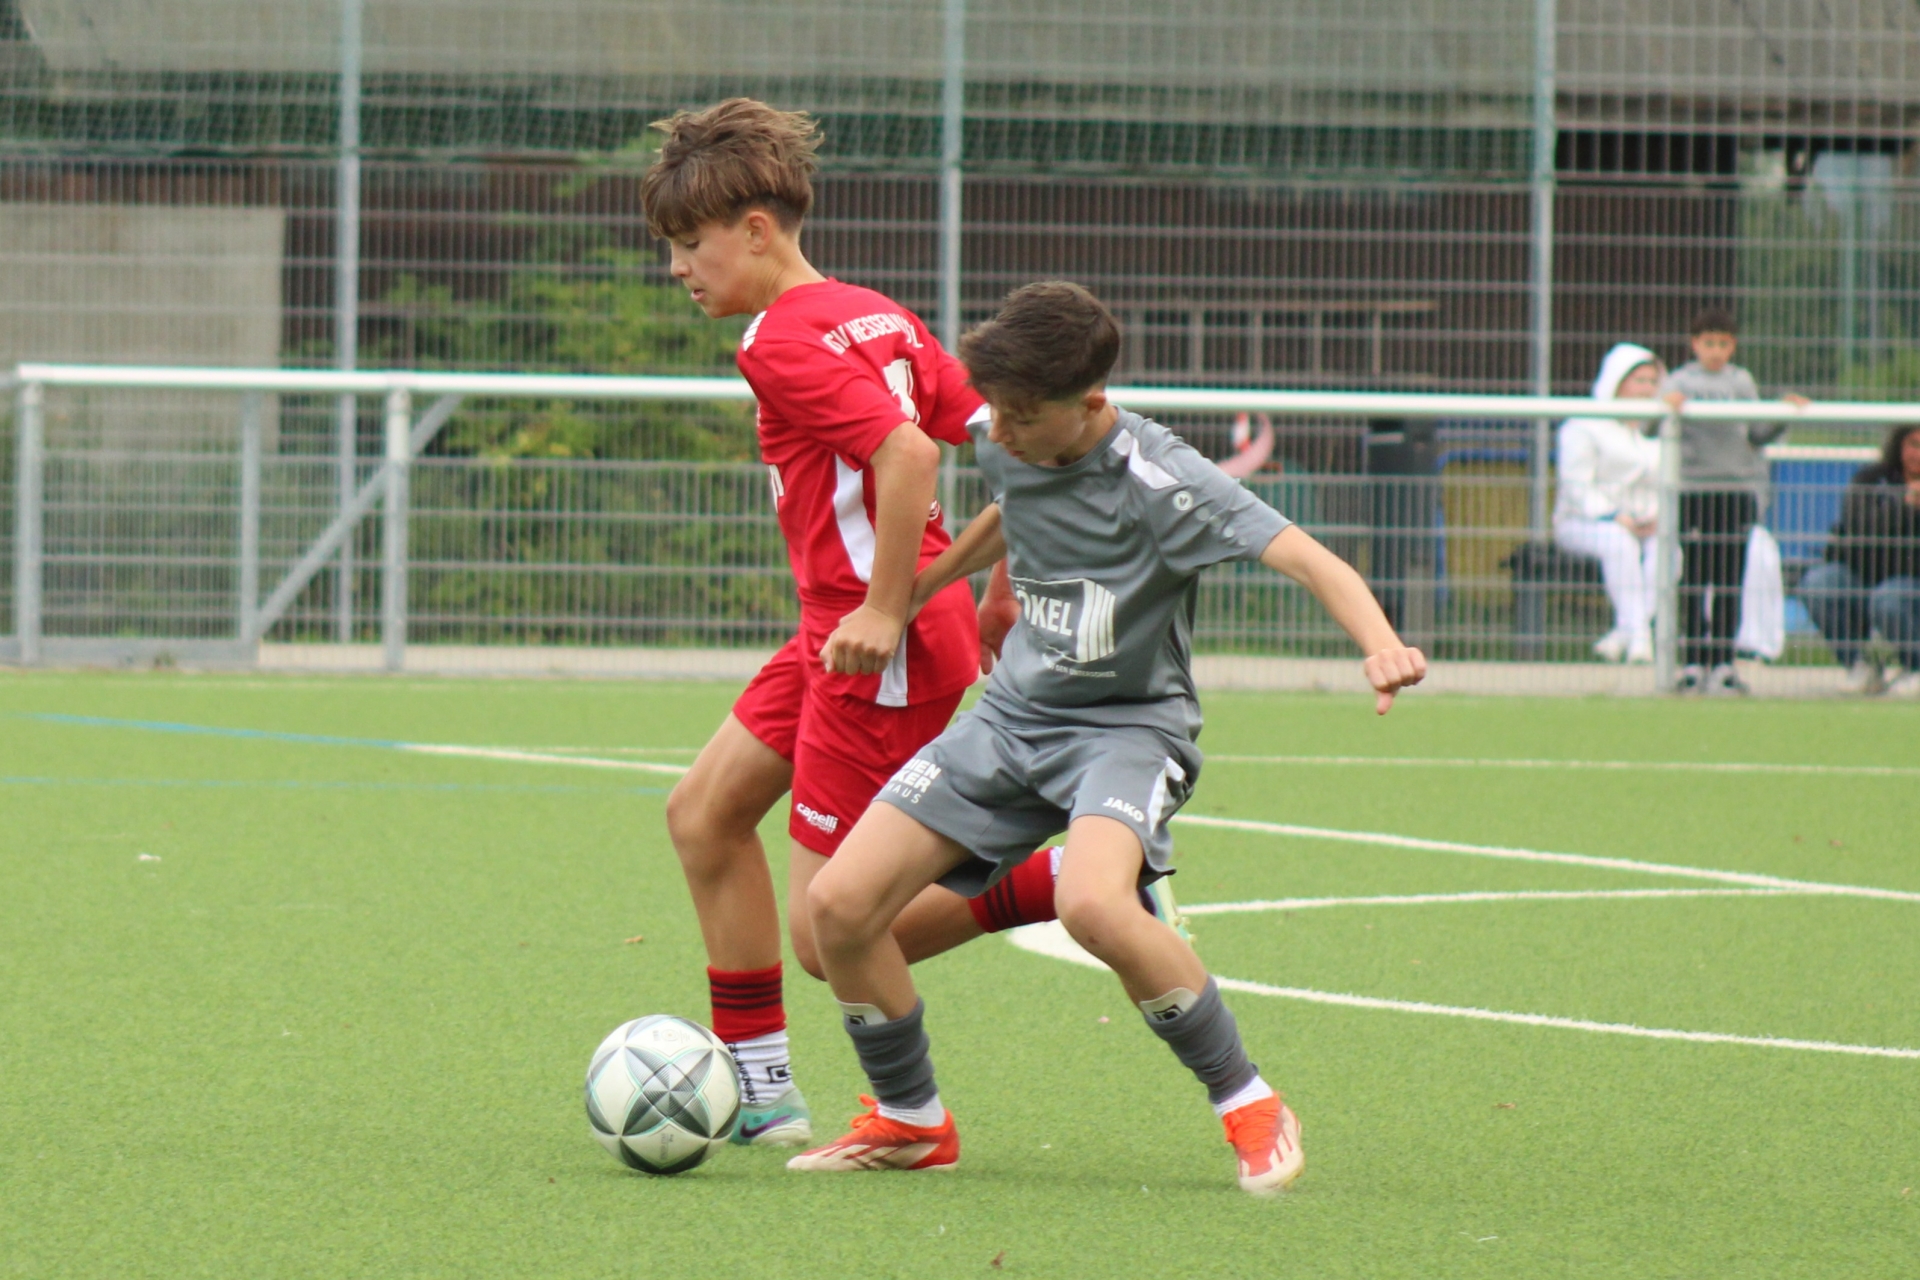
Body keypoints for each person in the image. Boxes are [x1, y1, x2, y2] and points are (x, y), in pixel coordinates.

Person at [786, 282, 1426, 1193]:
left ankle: (1250, 1102)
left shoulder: (1163, 478)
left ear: (1089, 403)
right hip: (1010, 720)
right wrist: (918, 597)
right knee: (838, 907)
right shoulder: (1008, 436)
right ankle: (911, 1119)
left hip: (1127, 732)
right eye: (995, 411)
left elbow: (1308, 557)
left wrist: (1380, 645)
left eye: (1021, 416)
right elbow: (1011, 507)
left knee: (1092, 904)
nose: (998, 432)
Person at [637, 98, 1069, 1148]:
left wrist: (883, 608)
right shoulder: (875, 314)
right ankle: (760, 1089)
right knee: (704, 814)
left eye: (690, 244)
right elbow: (1008, 438)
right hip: (852, 628)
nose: (678, 268)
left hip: (877, 642)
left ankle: (1055, 882)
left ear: (755, 229)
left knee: (830, 931)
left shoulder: (777, 340)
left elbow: (910, 453)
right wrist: (1001, 583)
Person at [1660, 308, 1808, 694]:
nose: (1715, 351)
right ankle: (1693, 662)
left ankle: (1724, 663)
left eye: (1723, 343)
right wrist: (1666, 406)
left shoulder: (1741, 381)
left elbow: (1758, 433)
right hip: (1695, 491)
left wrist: (1782, 414)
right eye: (1708, 342)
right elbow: (1650, 426)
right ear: (1694, 344)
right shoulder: (1679, 381)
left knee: (1730, 579)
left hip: (1735, 492)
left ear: (1733, 346)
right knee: (1694, 578)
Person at [1553, 343, 1664, 664]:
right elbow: (1576, 486)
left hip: (1642, 525)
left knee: (1669, 550)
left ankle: (1624, 633)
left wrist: (1653, 517)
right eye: (1639, 381)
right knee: (1619, 543)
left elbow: (1662, 486)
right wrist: (1614, 515)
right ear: (1616, 381)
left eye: (1652, 381)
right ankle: (1640, 639)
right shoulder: (1583, 425)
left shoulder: (1655, 430)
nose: (1647, 389)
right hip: (1582, 523)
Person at [1798, 424, 1920, 696]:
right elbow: (1859, 526)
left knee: (1889, 598)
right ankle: (1860, 666)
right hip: (1865, 574)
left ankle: (1916, 667)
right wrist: (1905, 507)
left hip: (1909, 585)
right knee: (1819, 584)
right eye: (1913, 445)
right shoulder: (1871, 479)